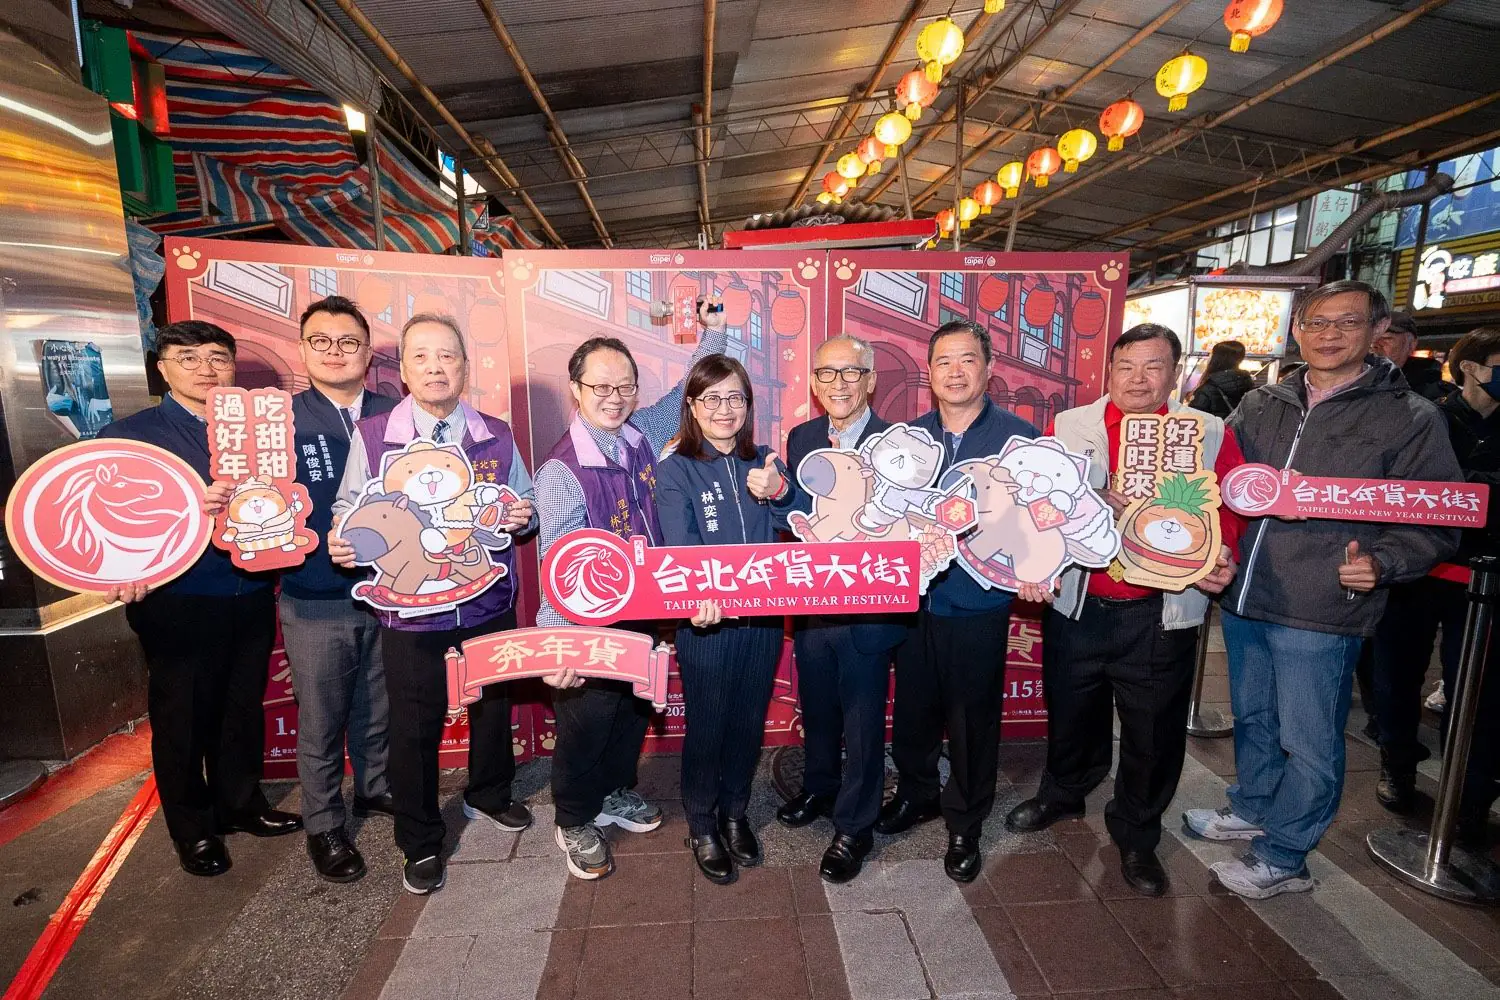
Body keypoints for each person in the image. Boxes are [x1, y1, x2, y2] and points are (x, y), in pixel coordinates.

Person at [1183, 280, 1462, 900]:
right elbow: (1218, 482)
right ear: (1298, 331)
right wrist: (1208, 544)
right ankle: (1253, 804)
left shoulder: (1409, 417)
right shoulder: (1262, 403)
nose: (1330, 334)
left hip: (1325, 603)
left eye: (1347, 322)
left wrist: (1386, 562)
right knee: (1254, 716)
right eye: (1317, 322)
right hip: (1248, 592)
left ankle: (1285, 855)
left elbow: (1438, 517)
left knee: (1308, 736)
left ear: (1375, 331)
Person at [1004, 324, 1244, 896]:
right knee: (1072, 710)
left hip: (1162, 607)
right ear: (1109, 370)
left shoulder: (1206, 433)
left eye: (1154, 366)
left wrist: (1223, 552)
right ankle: (1063, 793)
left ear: (1177, 373)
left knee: (1153, 729)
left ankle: (1137, 833)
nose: (1139, 378)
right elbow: (1031, 497)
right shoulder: (1070, 427)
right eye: (1127, 366)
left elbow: (1231, 504)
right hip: (1081, 600)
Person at [329, 313, 537, 896]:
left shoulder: (494, 432)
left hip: (486, 596)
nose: (436, 367)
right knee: (414, 722)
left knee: (492, 703)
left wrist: (523, 514)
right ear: (403, 371)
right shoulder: (374, 435)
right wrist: (344, 536)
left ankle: (490, 793)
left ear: (465, 366)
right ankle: (419, 840)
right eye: (421, 357)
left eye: (447, 356)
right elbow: (350, 507)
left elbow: (520, 500)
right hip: (409, 604)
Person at [101, 320, 302, 877]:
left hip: (251, 588)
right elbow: (104, 511)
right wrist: (124, 568)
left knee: (242, 707)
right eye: (187, 358)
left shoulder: (259, 429)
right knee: (183, 715)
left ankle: (240, 804)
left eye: (217, 357)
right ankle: (192, 829)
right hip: (177, 596)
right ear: (161, 368)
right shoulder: (131, 435)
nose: (206, 368)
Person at [535, 305, 729, 881]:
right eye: (601, 386)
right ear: (576, 390)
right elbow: (554, 567)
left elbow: (682, 394)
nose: (614, 396)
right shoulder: (561, 472)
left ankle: (615, 792)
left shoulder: (638, 434)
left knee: (628, 712)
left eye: (625, 386)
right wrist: (559, 650)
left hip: (642, 609)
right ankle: (572, 817)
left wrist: (711, 331)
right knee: (587, 721)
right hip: (588, 624)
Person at [875, 320, 1041, 883]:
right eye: (943, 361)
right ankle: (918, 793)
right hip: (913, 602)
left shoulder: (1021, 440)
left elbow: (1044, 521)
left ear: (989, 367)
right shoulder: (907, 441)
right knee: (914, 713)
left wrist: (1039, 567)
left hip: (978, 604)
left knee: (971, 720)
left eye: (967, 360)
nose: (954, 371)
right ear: (929, 371)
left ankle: (966, 820)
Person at [656, 354, 796, 884]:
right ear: (692, 406)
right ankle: (700, 821)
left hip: (761, 623)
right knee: (708, 725)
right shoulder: (675, 470)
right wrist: (698, 595)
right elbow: (680, 547)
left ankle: (734, 813)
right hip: (705, 624)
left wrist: (777, 493)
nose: (724, 409)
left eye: (735, 397)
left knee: (746, 722)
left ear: (748, 406)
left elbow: (800, 521)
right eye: (711, 398)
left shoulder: (765, 461)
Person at [776, 334, 909, 884]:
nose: (838, 384)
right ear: (813, 382)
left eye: (850, 373)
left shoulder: (899, 442)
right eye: (827, 374)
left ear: (871, 380)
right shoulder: (802, 436)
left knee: (862, 718)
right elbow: (795, 516)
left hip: (870, 608)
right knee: (820, 706)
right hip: (813, 605)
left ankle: (855, 824)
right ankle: (820, 786)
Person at [275, 296, 397, 883]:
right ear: (302, 350)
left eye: (348, 341)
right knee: (322, 717)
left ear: (368, 353)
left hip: (393, 591)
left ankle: (375, 788)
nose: (334, 351)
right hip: (315, 594)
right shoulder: (278, 421)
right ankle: (323, 822)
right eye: (320, 340)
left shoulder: (395, 413)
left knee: (380, 704)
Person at [1427, 326, 1500, 845]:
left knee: (1482, 692)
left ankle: (1471, 801)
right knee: (1402, 674)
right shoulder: (1430, 417)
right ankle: (1398, 767)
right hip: (1426, 571)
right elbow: (1413, 486)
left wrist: (1468, 489)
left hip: (1491, 580)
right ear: (1471, 366)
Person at [1372, 310, 1454, 403]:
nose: (1374, 344)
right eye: (1369, 338)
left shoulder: (1434, 396)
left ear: (1411, 345)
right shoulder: (1358, 384)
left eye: (1386, 338)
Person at [1189, 340, 1254, 419]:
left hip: (1216, 431)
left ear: (1216, 359)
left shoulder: (1206, 390)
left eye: (1211, 354)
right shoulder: (1251, 387)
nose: (1209, 358)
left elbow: (1193, 421)